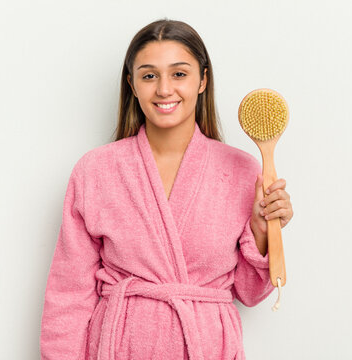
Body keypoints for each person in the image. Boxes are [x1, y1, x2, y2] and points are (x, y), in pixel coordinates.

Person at [40, 18, 294, 360]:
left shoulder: (242, 170)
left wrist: (263, 229)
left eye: (179, 74)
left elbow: (248, 293)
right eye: (149, 75)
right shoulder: (96, 171)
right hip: (120, 349)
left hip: (207, 348)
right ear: (132, 83)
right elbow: (68, 295)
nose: (164, 89)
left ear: (203, 79)